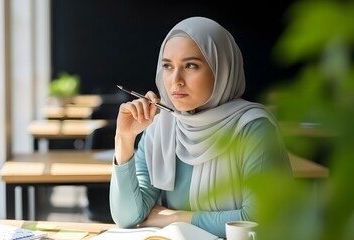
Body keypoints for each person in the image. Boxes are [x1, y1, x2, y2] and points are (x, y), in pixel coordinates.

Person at [109, 16, 290, 237]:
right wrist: (124, 139)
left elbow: (258, 220)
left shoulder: (253, 128)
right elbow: (128, 217)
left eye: (191, 65)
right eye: (167, 66)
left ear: (221, 68)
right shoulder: (161, 127)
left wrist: (177, 217)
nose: (176, 80)